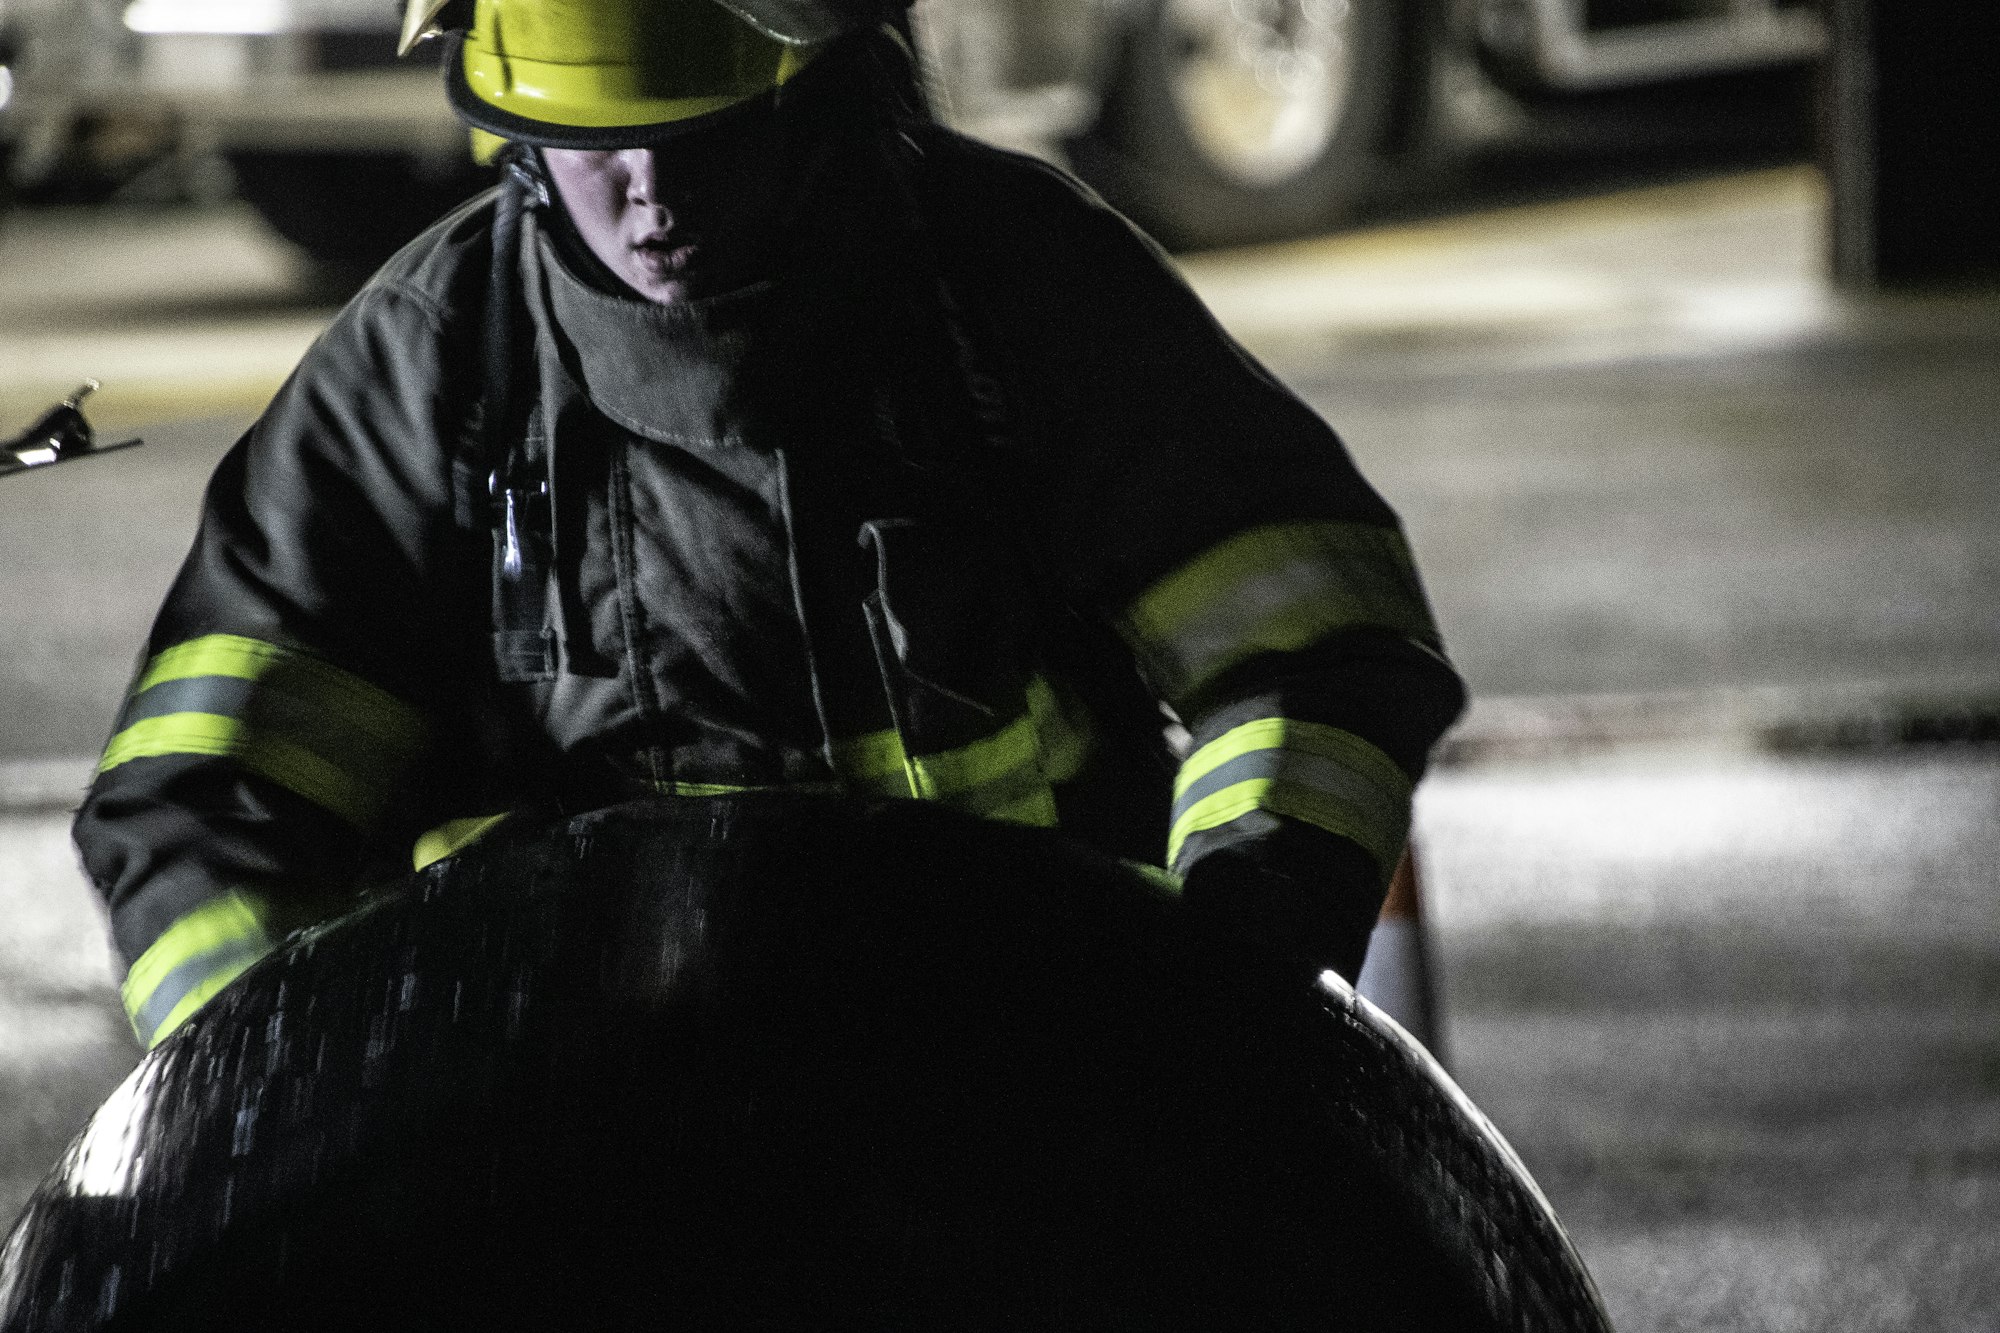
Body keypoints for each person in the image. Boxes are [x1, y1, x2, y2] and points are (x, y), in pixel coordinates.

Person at [74, 0, 1467, 1051]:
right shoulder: (426, 372)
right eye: (597, 140)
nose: (653, 195)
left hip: (1024, 1097)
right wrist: (299, 1101)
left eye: (700, 133)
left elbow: (1308, 641)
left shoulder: (1011, 286)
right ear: (512, 130)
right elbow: (204, 802)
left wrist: (1226, 972)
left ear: (817, 89)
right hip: (561, 1141)